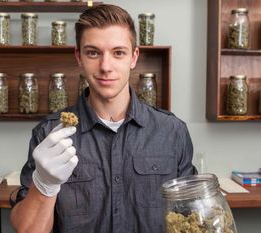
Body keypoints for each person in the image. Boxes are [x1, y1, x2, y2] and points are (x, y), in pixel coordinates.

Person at [10, 4, 196, 233]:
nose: (105, 67)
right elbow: (28, 230)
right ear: (79, 57)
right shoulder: (49, 133)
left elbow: (191, 217)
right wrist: (44, 184)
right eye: (93, 53)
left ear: (133, 57)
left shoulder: (172, 131)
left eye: (118, 52)